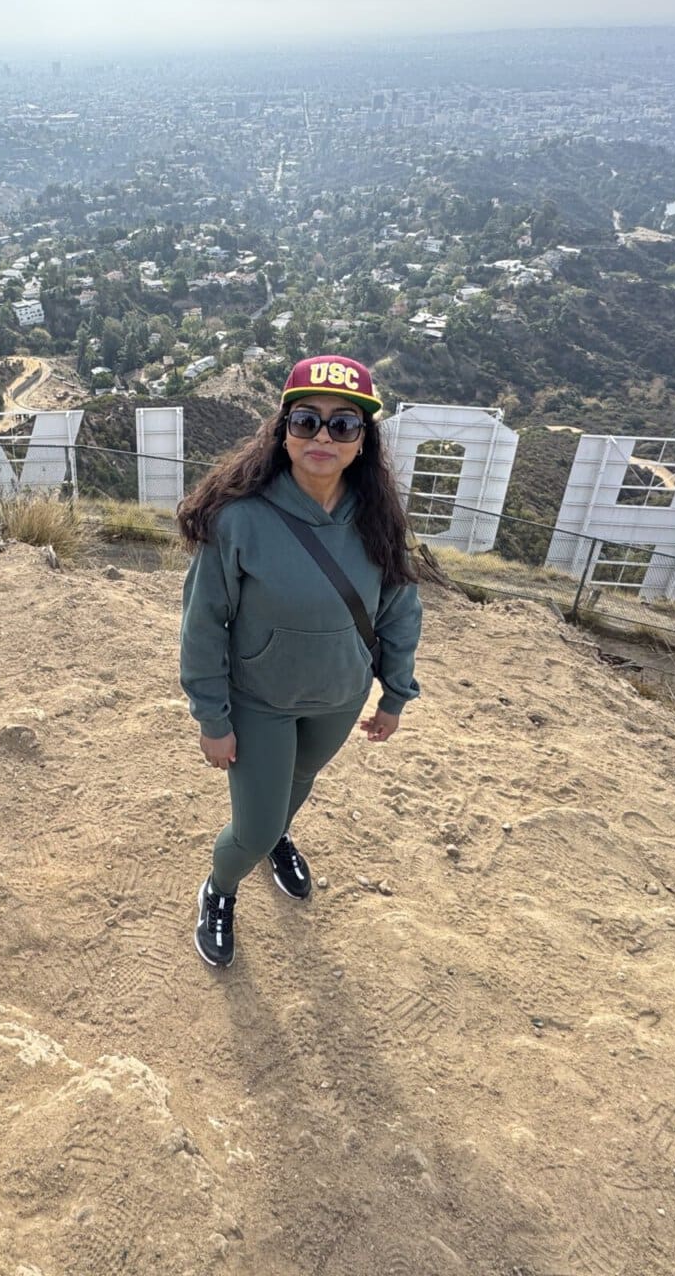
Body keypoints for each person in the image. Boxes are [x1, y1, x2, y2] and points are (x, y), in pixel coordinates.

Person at [176, 355, 423, 969]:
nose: (322, 437)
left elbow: (399, 611)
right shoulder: (240, 520)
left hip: (339, 698)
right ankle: (220, 888)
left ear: (363, 442)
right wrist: (212, 716)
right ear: (282, 429)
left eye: (343, 426)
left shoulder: (380, 520)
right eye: (307, 421)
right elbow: (203, 624)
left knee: (298, 783)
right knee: (252, 830)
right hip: (259, 700)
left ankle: (275, 832)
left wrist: (393, 695)